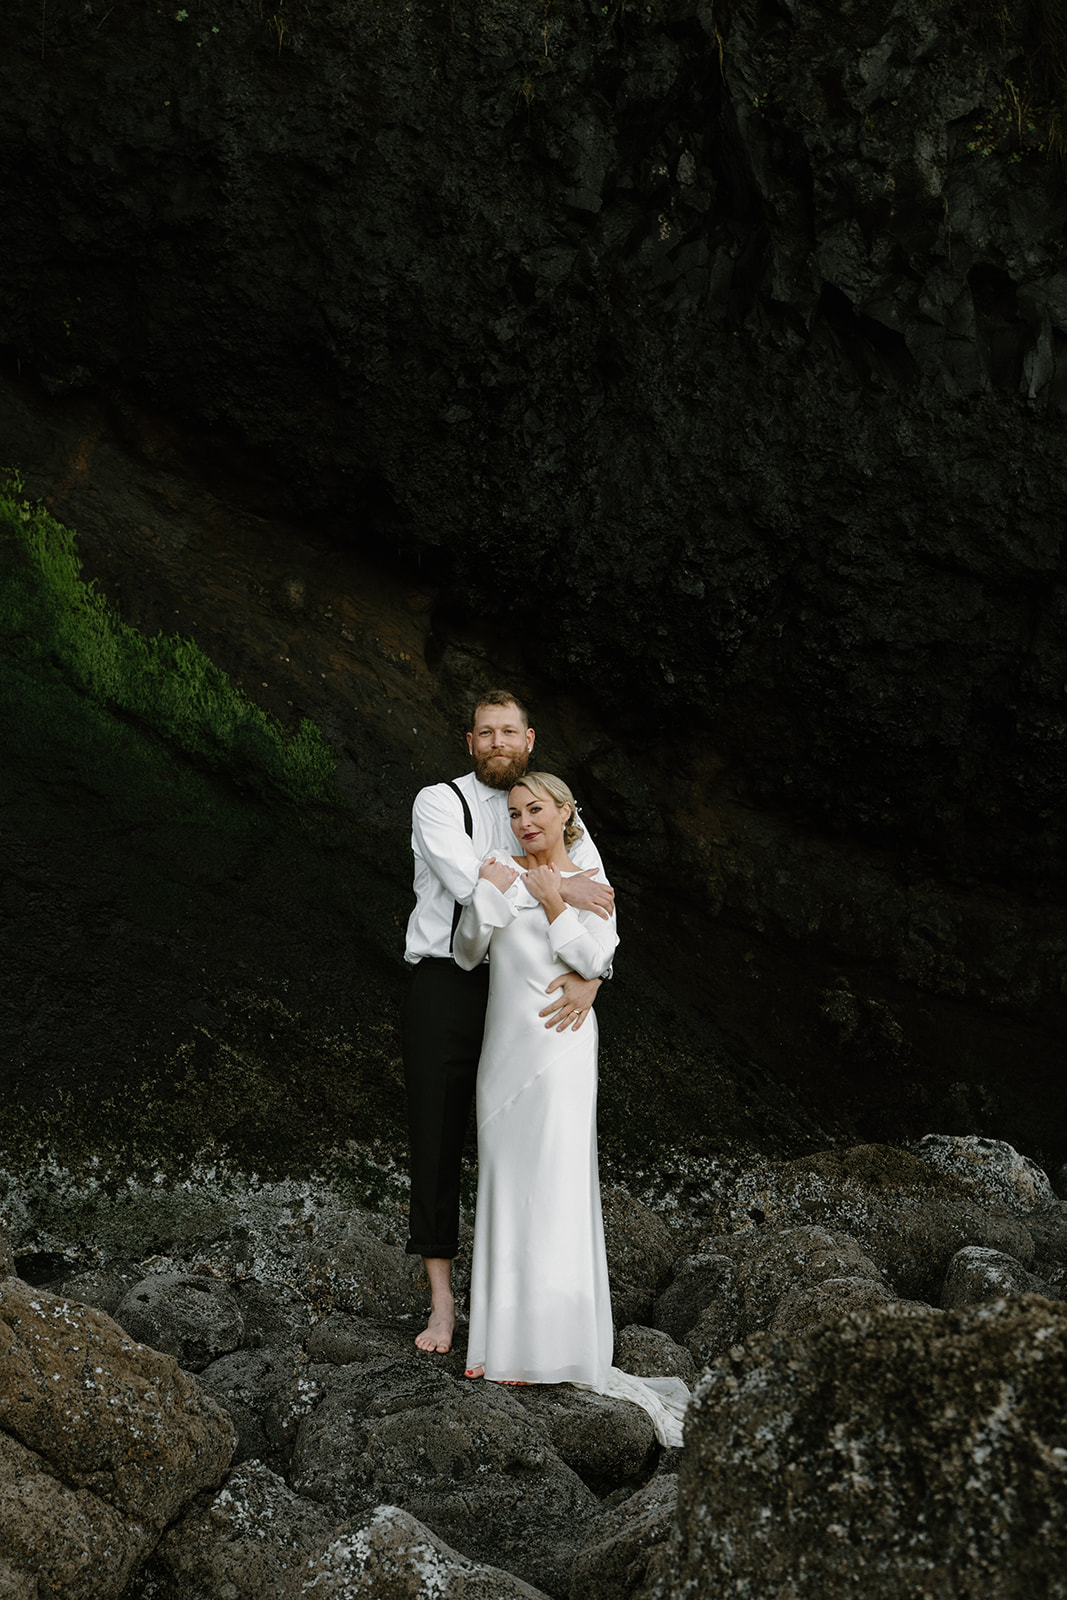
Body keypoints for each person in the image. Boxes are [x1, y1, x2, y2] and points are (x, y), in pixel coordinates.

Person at [452, 773, 689, 1448]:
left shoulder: (587, 877)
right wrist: (497, 895)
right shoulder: (495, 871)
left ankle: (557, 1346)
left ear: (563, 813)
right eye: (515, 812)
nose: (526, 820)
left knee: (556, 1187)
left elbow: (594, 957)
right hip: (505, 1054)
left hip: (560, 1051)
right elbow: (468, 950)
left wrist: (556, 901)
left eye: (537, 810)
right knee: (508, 1186)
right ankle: (502, 1349)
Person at [402, 691, 615, 1356]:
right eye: (484, 733)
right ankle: (442, 1307)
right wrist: (558, 887)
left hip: (523, 991)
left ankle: (531, 1309)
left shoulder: (551, 810)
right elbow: (471, 886)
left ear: (528, 740)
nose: (497, 743)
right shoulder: (439, 801)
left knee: (528, 1149)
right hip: (446, 978)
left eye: (508, 733)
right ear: (470, 742)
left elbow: (601, 902)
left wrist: (592, 977)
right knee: (436, 1136)